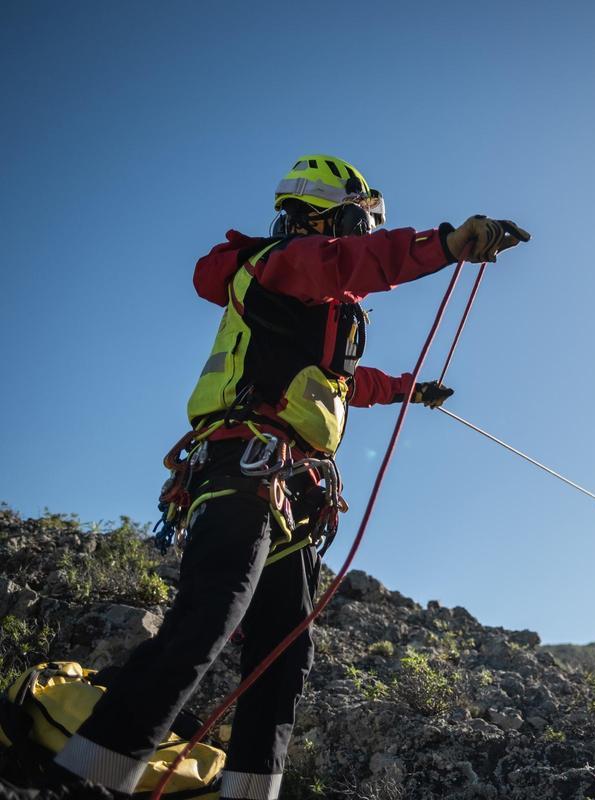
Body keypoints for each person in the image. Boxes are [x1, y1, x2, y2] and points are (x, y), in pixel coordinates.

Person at [53, 155, 529, 800]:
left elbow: (338, 381)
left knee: (282, 654)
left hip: (288, 486)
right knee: (209, 616)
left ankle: (252, 792)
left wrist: (410, 392)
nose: (362, 235)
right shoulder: (280, 264)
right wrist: (446, 244)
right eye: (360, 222)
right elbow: (351, 263)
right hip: (243, 462)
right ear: (335, 214)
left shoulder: (312, 297)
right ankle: (84, 776)